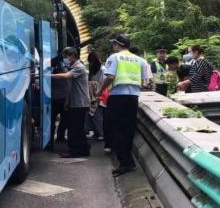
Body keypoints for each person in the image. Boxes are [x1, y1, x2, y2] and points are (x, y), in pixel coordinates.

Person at [100, 34, 149, 176]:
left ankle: (126, 163)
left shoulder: (114, 57)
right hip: (133, 97)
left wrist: (100, 90)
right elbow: (143, 79)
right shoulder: (139, 60)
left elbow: (110, 77)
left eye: (113, 45)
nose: (113, 47)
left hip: (117, 97)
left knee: (115, 129)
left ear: (117, 45)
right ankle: (127, 161)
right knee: (128, 128)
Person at [51, 48, 91, 158]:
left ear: (72, 56)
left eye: (66, 57)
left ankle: (76, 150)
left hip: (80, 102)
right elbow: (70, 87)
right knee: (77, 127)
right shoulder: (72, 67)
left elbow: (67, 76)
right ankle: (83, 148)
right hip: (75, 101)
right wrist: (67, 100)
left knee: (75, 128)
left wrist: (49, 75)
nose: (65, 59)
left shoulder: (79, 67)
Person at [47, 54, 70, 149]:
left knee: (51, 121)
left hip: (54, 99)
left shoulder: (53, 73)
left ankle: (50, 141)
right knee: (66, 120)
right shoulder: (65, 72)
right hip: (63, 99)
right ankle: (62, 136)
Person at [86, 50, 105, 143]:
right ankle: (96, 133)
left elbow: (102, 83)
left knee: (97, 115)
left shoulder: (101, 70)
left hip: (98, 95)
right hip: (92, 95)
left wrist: (99, 94)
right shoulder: (92, 70)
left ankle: (100, 133)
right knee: (92, 114)